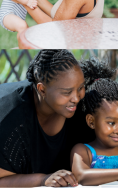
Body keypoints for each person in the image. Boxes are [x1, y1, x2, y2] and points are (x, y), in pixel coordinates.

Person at [0, 50, 95, 187]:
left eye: (81, 87)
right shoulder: (9, 116)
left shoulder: (83, 111)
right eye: (67, 92)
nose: (76, 98)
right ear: (42, 90)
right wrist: (43, 180)